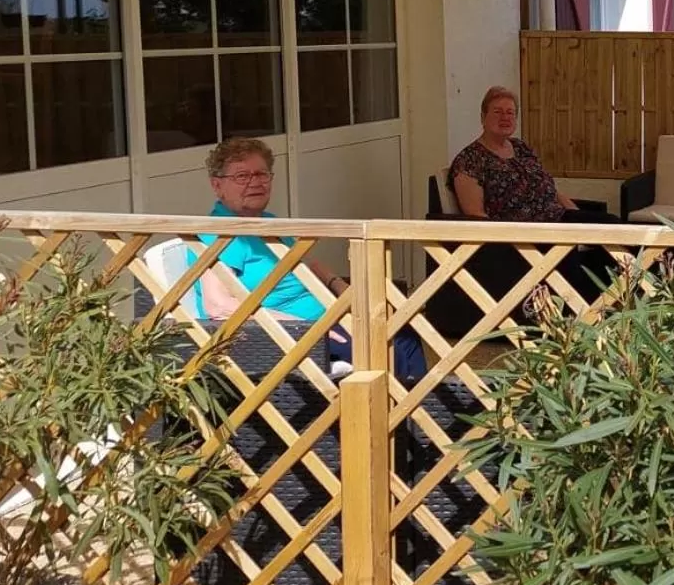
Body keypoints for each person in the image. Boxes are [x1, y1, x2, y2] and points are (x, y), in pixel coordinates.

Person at [196, 136, 425, 383]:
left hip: (324, 321)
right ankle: (392, 414)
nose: (255, 182)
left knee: (404, 330)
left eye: (262, 174)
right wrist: (303, 327)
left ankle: (421, 414)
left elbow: (309, 265)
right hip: (284, 336)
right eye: (242, 176)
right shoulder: (220, 233)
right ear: (217, 185)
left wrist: (342, 288)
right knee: (385, 348)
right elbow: (218, 307)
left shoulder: (267, 222)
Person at [450, 86, 589, 222]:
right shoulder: (469, 160)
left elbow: (553, 191)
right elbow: (476, 216)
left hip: (559, 220)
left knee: (608, 224)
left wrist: (578, 218)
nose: (505, 117)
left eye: (510, 112)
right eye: (498, 112)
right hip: (526, 234)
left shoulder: (520, 147)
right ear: (483, 118)